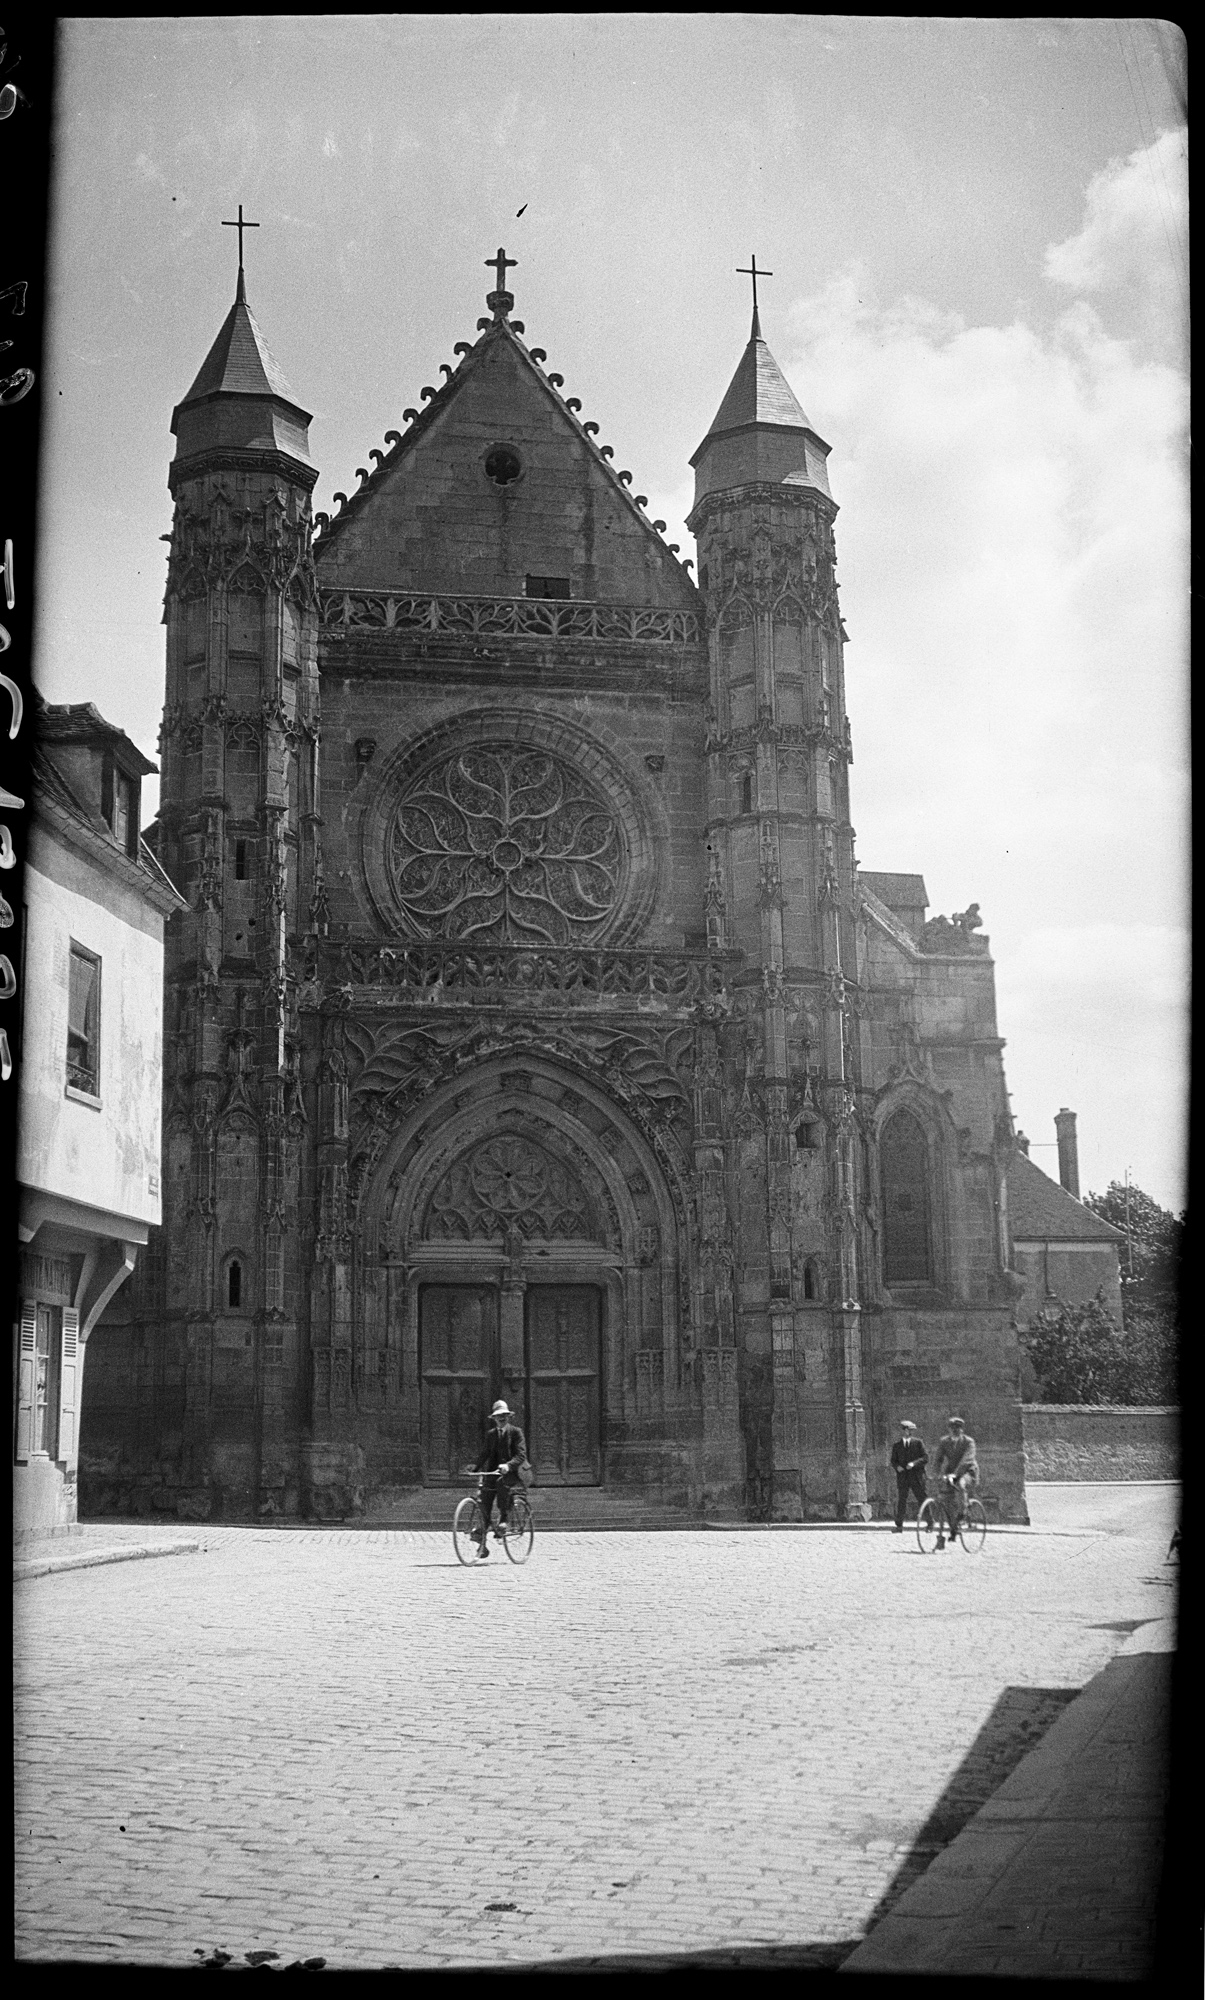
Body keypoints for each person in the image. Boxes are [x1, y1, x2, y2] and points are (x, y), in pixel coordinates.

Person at [471, 1399, 528, 1559]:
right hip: (493, 1472)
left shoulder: (516, 1432)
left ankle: (504, 1519)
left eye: (504, 1415)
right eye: (498, 1416)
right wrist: (474, 1468)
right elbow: (485, 1454)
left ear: (508, 1417)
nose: (501, 1418)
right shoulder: (491, 1435)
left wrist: (509, 1466)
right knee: (484, 1500)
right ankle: (481, 1542)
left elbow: (521, 1455)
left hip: (510, 1474)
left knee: (502, 1486)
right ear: (494, 1419)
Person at [933, 1415, 978, 1546]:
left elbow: (967, 1460)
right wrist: (935, 1473)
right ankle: (948, 1532)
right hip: (951, 1472)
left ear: (961, 1429)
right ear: (949, 1429)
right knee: (944, 1500)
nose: (955, 1431)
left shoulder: (968, 1442)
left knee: (961, 1484)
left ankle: (963, 1513)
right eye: (952, 1428)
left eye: (957, 1428)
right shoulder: (944, 1442)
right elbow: (938, 1459)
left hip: (968, 1472)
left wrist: (956, 1474)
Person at [889, 1419, 927, 1532]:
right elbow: (893, 1461)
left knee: (922, 1499)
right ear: (904, 1431)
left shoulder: (918, 1443)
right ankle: (899, 1525)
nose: (908, 1432)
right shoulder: (897, 1446)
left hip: (916, 1477)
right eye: (907, 1430)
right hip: (903, 1477)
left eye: (910, 1430)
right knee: (902, 1501)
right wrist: (897, 1467)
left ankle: (930, 1522)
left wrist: (914, 1464)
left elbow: (925, 1458)